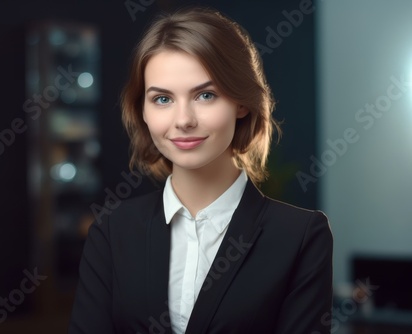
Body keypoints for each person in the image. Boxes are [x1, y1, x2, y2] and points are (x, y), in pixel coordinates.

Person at [68, 7, 333, 334]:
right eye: (162, 99)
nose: (183, 120)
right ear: (143, 111)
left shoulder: (301, 236)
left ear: (241, 102)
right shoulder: (111, 232)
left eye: (205, 95)